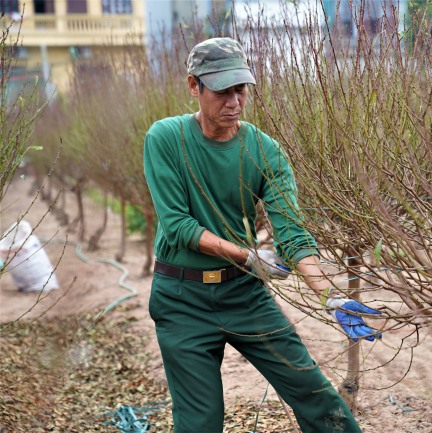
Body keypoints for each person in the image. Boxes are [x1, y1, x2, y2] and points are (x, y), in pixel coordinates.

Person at [143, 37, 382, 433]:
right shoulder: (165, 139)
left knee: (317, 398)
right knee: (199, 422)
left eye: (241, 89)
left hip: (244, 295)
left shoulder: (263, 150)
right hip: (181, 299)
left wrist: (329, 294)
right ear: (193, 86)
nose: (234, 101)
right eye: (222, 90)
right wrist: (249, 256)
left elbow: (292, 232)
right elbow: (179, 226)